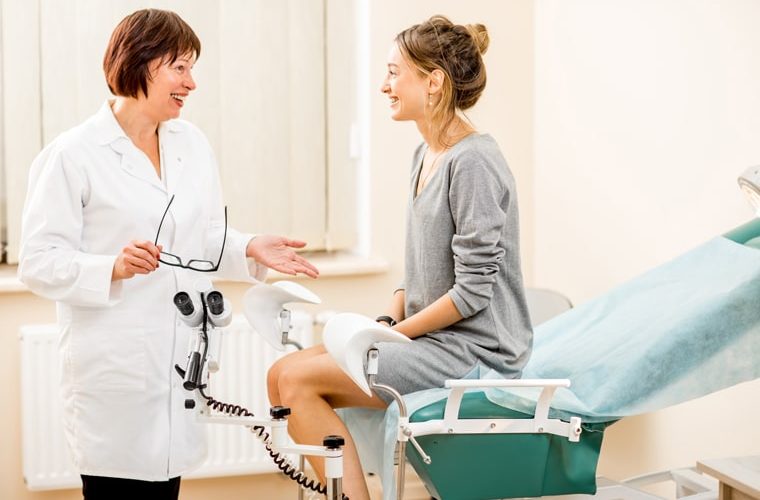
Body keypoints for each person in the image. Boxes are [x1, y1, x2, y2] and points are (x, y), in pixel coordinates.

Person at [18, 8, 318, 500]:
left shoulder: (191, 144)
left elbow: (202, 238)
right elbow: (37, 260)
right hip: (115, 371)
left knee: (166, 486)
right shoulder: (72, 154)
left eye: (191, 68)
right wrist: (112, 267)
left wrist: (248, 247)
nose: (191, 83)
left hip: (179, 360)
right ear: (140, 63)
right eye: (179, 68)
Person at [267, 15, 533, 500]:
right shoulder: (424, 155)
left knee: (300, 381)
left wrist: (395, 335)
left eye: (394, 73)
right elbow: (422, 272)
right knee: (279, 375)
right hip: (431, 341)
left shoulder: (473, 162)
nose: (383, 85)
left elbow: (472, 293)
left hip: (474, 355)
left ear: (433, 82)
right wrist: (386, 320)